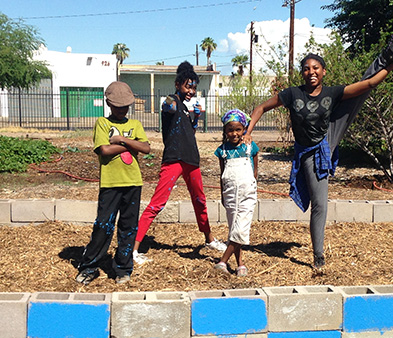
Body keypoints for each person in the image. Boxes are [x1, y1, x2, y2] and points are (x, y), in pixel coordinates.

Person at [245, 27, 393, 269]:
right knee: (318, 202)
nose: (311, 72)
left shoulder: (332, 93)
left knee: (360, 92)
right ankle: (318, 252)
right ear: (302, 73)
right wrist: (248, 132)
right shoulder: (292, 94)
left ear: (323, 72)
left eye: (316, 68)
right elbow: (260, 108)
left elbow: (370, 83)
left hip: (327, 137)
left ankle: (389, 55)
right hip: (307, 151)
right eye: (306, 68)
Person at [133, 61, 226, 265]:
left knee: (199, 201)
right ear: (177, 84)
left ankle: (209, 239)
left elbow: (188, 132)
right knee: (157, 203)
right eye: (187, 86)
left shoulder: (184, 107)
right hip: (174, 159)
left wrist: (196, 118)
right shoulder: (172, 102)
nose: (191, 90)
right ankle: (134, 249)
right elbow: (167, 106)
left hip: (191, 160)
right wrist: (173, 101)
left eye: (193, 87)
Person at [75, 81, 151, 285]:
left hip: (133, 183)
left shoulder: (135, 124)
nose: (122, 110)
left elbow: (146, 148)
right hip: (110, 184)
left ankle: (123, 268)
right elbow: (104, 150)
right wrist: (131, 146)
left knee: (128, 227)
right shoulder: (102, 123)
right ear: (109, 104)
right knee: (103, 226)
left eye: (125, 106)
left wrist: (121, 141)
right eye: (118, 106)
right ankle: (89, 266)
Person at [213, 109, 259, 277]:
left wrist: (253, 188)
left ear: (244, 129)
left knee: (241, 229)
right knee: (234, 228)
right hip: (230, 192)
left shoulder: (249, 147)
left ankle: (223, 261)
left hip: (248, 192)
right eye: (230, 129)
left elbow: (255, 172)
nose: (234, 133)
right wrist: (222, 195)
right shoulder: (222, 151)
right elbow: (222, 173)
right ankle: (240, 264)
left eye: (238, 129)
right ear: (225, 131)